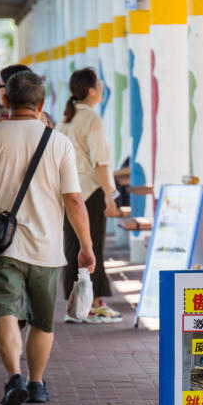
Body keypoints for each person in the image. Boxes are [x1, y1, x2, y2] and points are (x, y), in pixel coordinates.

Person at [0, 70, 95, 405]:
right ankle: (37, 383)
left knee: (4, 311)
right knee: (42, 322)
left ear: (4, 99)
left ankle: (13, 376)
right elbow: (74, 200)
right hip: (47, 249)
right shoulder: (58, 142)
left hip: (2, 246)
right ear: (41, 103)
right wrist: (86, 246)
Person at [56, 68, 122, 324]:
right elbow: (101, 162)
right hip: (91, 193)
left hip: (68, 191)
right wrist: (109, 195)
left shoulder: (66, 118)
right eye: (100, 85)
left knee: (73, 246)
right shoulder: (92, 119)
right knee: (93, 247)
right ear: (92, 91)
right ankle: (94, 305)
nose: (103, 89)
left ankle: (76, 306)